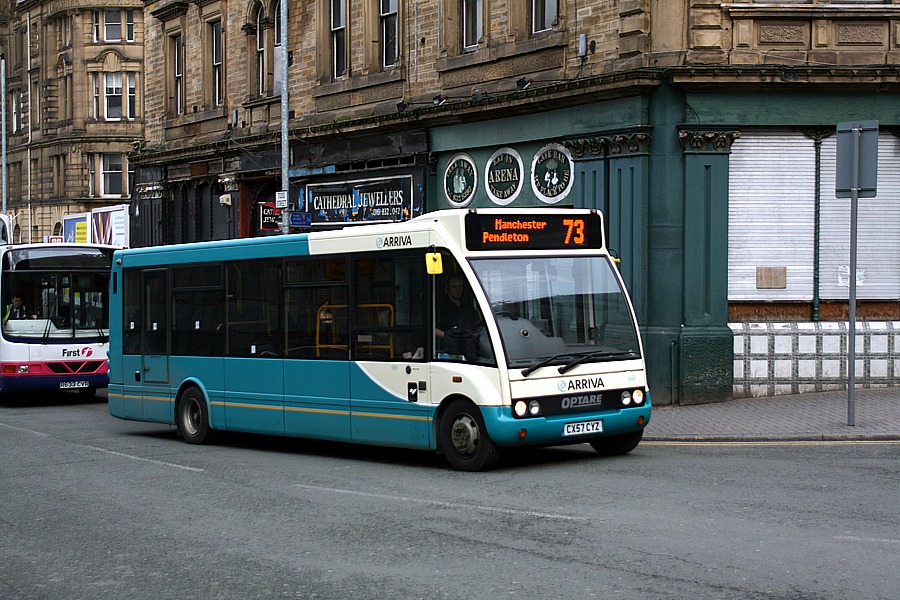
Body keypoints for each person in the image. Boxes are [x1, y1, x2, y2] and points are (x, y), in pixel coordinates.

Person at [436, 275, 480, 357]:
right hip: (449, 351)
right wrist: (448, 337)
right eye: (454, 287)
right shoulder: (441, 306)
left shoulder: (467, 305)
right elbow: (433, 328)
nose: (458, 290)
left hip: (470, 349)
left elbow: (477, 323)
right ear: (448, 287)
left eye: (460, 286)